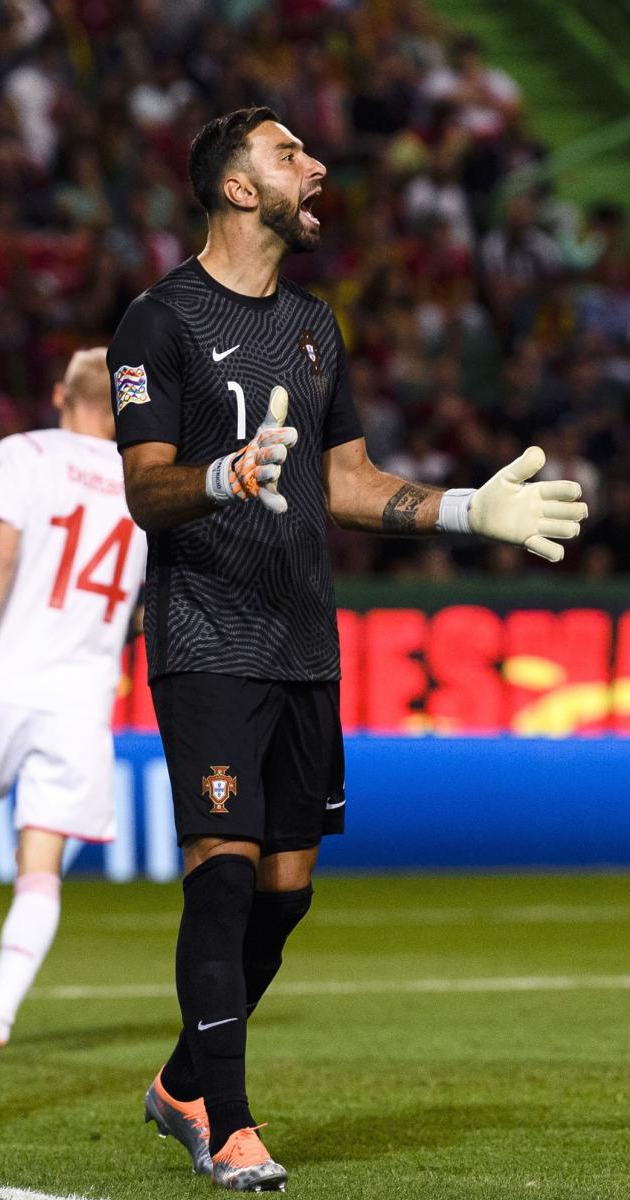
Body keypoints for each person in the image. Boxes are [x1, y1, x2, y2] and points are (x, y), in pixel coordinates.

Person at [107, 107, 588, 1193]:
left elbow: (350, 484)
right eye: (289, 155)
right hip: (206, 633)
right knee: (223, 877)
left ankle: (181, 1082)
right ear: (238, 188)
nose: (316, 167)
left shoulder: (314, 325)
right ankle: (228, 1126)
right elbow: (143, 488)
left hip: (302, 640)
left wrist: (465, 511)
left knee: (285, 895)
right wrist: (224, 474)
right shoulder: (159, 321)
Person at [0, 348, 146, 1059]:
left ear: (60, 395)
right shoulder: (144, 479)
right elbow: (147, 600)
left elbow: (2, 558)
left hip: (9, 674)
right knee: (40, 861)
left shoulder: (25, 453)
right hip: (82, 697)